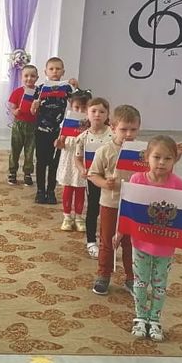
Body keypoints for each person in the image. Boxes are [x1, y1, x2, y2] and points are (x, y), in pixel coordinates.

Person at [117, 135, 182, 341]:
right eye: (157, 157)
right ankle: (140, 317)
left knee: (159, 284)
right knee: (140, 282)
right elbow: (128, 211)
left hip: (165, 245)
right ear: (147, 157)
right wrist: (119, 233)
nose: (162, 162)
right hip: (141, 243)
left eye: (168, 158)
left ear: (175, 160)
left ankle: (155, 319)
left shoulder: (178, 184)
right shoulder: (137, 180)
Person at [86, 104, 141, 296]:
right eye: (123, 129)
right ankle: (103, 274)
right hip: (110, 203)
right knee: (108, 241)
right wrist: (104, 183)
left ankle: (131, 277)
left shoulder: (143, 151)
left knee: (131, 243)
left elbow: (156, 171)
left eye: (133, 129)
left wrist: (176, 156)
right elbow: (93, 174)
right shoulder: (105, 150)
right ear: (113, 127)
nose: (128, 134)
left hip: (134, 205)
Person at [29, 57, 80, 204]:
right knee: (41, 161)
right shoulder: (40, 88)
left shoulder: (66, 88)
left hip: (59, 131)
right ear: (45, 71)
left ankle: (51, 191)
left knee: (54, 162)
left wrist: (76, 87)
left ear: (63, 71)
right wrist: (34, 106)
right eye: (51, 69)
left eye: (58, 69)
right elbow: (32, 111)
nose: (55, 71)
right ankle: (40, 191)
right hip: (41, 130)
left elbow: (78, 102)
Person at [74, 96, 113, 259]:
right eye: (94, 111)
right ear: (87, 114)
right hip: (93, 179)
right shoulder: (82, 137)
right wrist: (82, 169)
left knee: (110, 211)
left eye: (102, 111)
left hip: (111, 180)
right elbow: (77, 158)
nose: (97, 114)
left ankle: (108, 241)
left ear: (107, 114)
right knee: (93, 209)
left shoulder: (113, 134)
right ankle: (91, 241)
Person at [56, 90, 91, 231]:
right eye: (77, 107)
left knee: (81, 189)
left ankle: (79, 217)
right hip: (69, 159)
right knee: (68, 188)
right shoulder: (67, 122)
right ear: (71, 107)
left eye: (84, 108)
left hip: (83, 160)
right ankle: (67, 217)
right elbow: (61, 142)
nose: (80, 111)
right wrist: (58, 143)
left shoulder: (91, 123)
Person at [7, 63, 39, 186]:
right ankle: (12, 172)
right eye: (26, 76)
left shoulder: (38, 93)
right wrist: (15, 111)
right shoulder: (17, 92)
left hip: (32, 125)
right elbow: (12, 107)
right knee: (15, 149)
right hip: (18, 125)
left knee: (30, 151)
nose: (29, 78)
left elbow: (40, 108)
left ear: (37, 78)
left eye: (32, 76)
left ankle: (27, 173)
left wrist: (36, 108)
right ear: (22, 77)